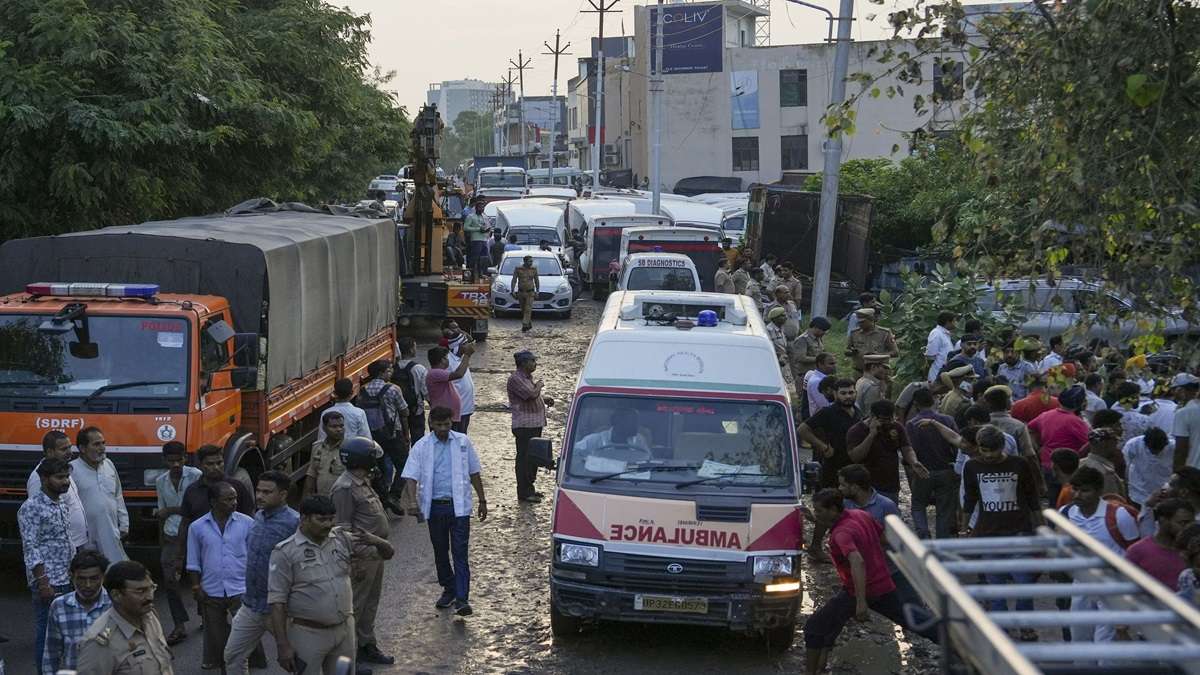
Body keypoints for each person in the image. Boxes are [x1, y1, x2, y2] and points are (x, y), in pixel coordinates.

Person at [803, 489, 937, 675]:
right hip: (881, 583)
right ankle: (955, 638)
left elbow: (857, 561)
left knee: (814, 628)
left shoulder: (841, 534)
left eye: (819, 511)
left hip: (861, 590)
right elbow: (882, 538)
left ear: (833, 509)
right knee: (912, 620)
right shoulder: (860, 515)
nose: (817, 514)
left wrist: (861, 602)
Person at [269, 495, 393, 675]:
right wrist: (283, 645)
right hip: (308, 635)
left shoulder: (342, 539)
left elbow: (387, 554)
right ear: (304, 518)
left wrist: (378, 541)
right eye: (321, 519)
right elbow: (276, 602)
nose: (328, 524)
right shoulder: (285, 552)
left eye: (331, 519)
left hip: (344, 632)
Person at [402, 406, 488, 616]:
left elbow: (474, 471)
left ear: (452, 423)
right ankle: (449, 588)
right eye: (439, 425)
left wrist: (482, 500)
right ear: (431, 423)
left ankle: (461, 598)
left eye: (446, 425)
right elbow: (410, 477)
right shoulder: (421, 447)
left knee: (460, 553)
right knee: (440, 552)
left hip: (459, 509)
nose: (443, 429)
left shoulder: (462, 443)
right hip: (434, 509)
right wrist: (412, 503)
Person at [962, 426, 1042, 639]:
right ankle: (1002, 630)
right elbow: (969, 500)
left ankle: (1025, 625)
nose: (988, 455)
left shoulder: (1019, 464)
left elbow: (1032, 497)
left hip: (1019, 532)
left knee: (1024, 584)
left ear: (1002, 446)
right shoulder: (971, 467)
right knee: (995, 586)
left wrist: (1040, 527)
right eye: (984, 450)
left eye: (993, 450)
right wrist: (964, 529)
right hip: (989, 534)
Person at [224, 471, 298, 675]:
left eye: (267, 492)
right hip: (251, 605)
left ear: (283, 494)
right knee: (233, 657)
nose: (260, 496)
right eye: (258, 490)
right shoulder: (257, 516)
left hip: (281, 609)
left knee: (297, 660)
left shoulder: (294, 523)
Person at [331, 437, 395, 666]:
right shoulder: (345, 488)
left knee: (369, 605)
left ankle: (367, 646)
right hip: (361, 557)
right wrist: (354, 560)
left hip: (374, 554)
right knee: (354, 608)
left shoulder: (361, 481)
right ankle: (348, 656)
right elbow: (341, 528)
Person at [1062, 467, 1141, 644]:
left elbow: (1135, 552)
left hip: (1113, 584)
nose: (1078, 494)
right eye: (1075, 489)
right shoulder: (1066, 514)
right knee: (1079, 637)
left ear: (1098, 491)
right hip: (1081, 583)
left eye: (1085, 490)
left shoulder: (1119, 515)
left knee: (1106, 642)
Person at [187, 481, 256, 670]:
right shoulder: (197, 527)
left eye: (234, 498)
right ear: (213, 502)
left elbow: (254, 557)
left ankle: (246, 663)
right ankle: (218, 663)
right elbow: (193, 561)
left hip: (240, 587)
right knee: (215, 634)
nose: (234, 503)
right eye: (228, 499)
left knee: (245, 632)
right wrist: (196, 586)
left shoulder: (248, 523)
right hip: (211, 589)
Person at [20, 457, 76, 665]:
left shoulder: (60, 503)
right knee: (47, 637)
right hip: (49, 583)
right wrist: (43, 582)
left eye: (67, 476)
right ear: (44, 479)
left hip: (66, 578)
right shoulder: (32, 507)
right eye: (60, 477)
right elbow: (31, 547)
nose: (66, 482)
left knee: (67, 635)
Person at [76, 560, 173, 674]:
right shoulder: (99, 643)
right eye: (140, 591)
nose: (149, 597)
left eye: (151, 588)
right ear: (116, 595)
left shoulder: (149, 616)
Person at [154, 441, 202, 646]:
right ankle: (179, 625)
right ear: (164, 460)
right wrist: (161, 541)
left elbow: (196, 509)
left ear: (185, 458)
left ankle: (206, 616)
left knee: (201, 578)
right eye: (171, 460)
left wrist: (172, 511)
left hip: (195, 534)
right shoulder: (160, 481)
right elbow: (161, 513)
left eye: (179, 460)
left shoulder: (196, 476)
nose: (175, 464)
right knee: (170, 580)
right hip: (171, 535)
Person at [42, 549, 111, 675]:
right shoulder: (59, 606)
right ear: (72, 577)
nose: (88, 585)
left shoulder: (116, 605)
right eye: (81, 579)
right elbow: (51, 653)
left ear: (104, 577)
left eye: (94, 578)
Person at [847, 400, 929, 504]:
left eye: (890, 419)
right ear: (872, 416)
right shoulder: (856, 430)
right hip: (866, 486)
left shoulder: (897, 427)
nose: (889, 422)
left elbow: (906, 448)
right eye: (884, 420)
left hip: (890, 485)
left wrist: (913, 462)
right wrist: (871, 435)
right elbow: (855, 457)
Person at [906, 388, 961, 539]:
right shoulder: (947, 420)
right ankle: (942, 543)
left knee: (918, 505)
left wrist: (911, 469)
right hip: (945, 470)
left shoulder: (911, 424)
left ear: (916, 404)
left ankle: (923, 536)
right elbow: (957, 444)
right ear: (934, 400)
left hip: (922, 470)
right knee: (944, 510)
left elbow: (908, 449)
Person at [69, 426, 129, 563]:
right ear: (83, 448)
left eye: (103, 443)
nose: (102, 448)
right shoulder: (72, 469)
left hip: (111, 532)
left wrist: (124, 523)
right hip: (86, 536)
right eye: (96, 444)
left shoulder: (108, 464)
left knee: (114, 570)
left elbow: (118, 495)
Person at [359, 359, 411, 513]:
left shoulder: (363, 390)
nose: (392, 372)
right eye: (389, 370)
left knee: (377, 467)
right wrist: (406, 434)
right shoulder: (393, 389)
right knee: (405, 466)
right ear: (381, 373)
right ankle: (394, 496)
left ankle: (382, 496)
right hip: (393, 434)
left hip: (372, 436)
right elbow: (404, 412)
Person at [799, 378, 861, 500]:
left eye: (851, 392)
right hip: (834, 467)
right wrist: (823, 447)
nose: (848, 396)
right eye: (843, 393)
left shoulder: (858, 412)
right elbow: (803, 430)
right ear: (835, 394)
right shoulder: (828, 412)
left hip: (854, 466)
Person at [26, 430, 89, 550]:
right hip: (58, 548)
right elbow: (37, 521)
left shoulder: (63, 470)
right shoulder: (38, 479)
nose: (70, 453)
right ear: (49, 452)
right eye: (64, 449)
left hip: (74, 543)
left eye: (70, 447)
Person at [508, 350, 554, 504]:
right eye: (532, 361)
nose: (535, 363)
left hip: (534, 424)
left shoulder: (527, 378)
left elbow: (532, 396)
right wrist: (539, 386)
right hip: (524, 426)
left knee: (533, 458)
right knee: (525, 460)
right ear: (523, 363)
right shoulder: (515, 379)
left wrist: (543, 399)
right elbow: (530, 394)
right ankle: (524, 492)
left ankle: (530, 488)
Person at [1028, 385, 1090, 493]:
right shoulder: (1076, 422)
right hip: (1068, 468)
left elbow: (1029, 429)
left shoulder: (1045, 415)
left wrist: (1037, 447)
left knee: (1053, 500)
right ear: (1080, 403)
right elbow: (1090, 442)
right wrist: (1080, 455)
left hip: (1048, 463)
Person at [1126, 498, 1193, 590]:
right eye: (1182, 523)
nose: (1187, 528)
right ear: (1163, 520)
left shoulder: (1193, 552)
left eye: (1190, 523)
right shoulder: (1138, 551)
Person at [1125, 427, 1176, 508]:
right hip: (1139, 492)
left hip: (1164, 493)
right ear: (1146, 444)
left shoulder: (1173, 447)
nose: (1156, 452)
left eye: (1159, 449)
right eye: (1153, 449)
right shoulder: (1133, 445)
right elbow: (1126, 465)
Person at [426, 344, 473, 431]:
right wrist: (467, 355)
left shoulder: (439, 373)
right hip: (443, 417)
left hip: (450, 416)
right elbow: (459, 374)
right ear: (442, 360)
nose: (448, 360)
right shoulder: (435, 373)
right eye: (446, 358)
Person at [443, 321, 478, 432]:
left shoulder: (461, 358)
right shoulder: (448, 360)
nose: (470, 345)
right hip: (457, 411)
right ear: (460, 346)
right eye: (466, 343)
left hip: (466, 409)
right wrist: (468, 354)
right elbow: (458, 374)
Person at [1078, 427, 1129, 500]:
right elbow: (1112, 502)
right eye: (1115, 442)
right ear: (1105, 444)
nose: (1116, 446)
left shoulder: (1079, 464)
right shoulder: (1105, 473)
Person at [790, 317, 830, 407]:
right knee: (804, 403)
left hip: (816, 376)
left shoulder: (818, 338)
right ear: (816, 327)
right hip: (804, 376)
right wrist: (820, 359)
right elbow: (800, 357)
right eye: (823, 330)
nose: (824, 333)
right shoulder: (803, 339)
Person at [395, 336, 429, 441]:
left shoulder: (392, 367)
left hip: (398, 411)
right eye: (415, 347)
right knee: (418, 440)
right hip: (416, 410)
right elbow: (426, 392)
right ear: (410, 350)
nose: (416, 349)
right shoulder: (419, 369)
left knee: (400, 439)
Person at [306, 411, 348, 497]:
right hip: (323, 500)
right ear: (324, 428)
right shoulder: (317, 447)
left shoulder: (350, 449)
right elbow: (312, 474)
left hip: (342, 500)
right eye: (334, 426)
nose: (339, 429)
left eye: (341, 426)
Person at [317, 378, 371, 443]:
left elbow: (321, 438)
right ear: (351, 393)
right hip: (352, 451)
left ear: (334, 393)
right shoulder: (359, 413)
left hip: (332, 451)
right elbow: (366, 438)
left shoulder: (326, 413)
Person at [845, 308, 898, 374]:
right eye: (859, 322)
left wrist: (878, 356)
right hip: (859, 371)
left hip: (879, 372)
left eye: (863, 322)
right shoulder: (854, 333)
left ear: (871, 320)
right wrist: (852, 352)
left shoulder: (885, 333)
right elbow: (847, 350)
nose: (860, 324)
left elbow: (895, 352)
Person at [1172, 373, 1200, 469]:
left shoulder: (1184, 413)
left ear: (1181, 390)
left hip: (1193, 471)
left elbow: (1181, 449)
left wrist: (1177, 473)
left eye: (1174, 389)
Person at [925, 311, 958, 382]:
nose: (956, 323)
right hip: (937, 374)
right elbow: (930, 357)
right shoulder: (936, 333)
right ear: (948, 322)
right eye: (954, 321)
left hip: (945, 374)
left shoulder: (945, 334)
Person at [804, 352, 838, 418]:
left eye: (835, 363)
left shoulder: (822, 378)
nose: (835, 366)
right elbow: (825, 405)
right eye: (831, 364)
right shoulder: (817, 381)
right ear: (820, 364)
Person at [463, 198, 490, 279]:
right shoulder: (471, 216)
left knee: (483, 258)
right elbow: (465, 227)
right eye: (480, 207)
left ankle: (480, 273)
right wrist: (478, 229)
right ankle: (471, 274)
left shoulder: (484, 217)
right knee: (474, 258)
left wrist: (487, 230)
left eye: (483, 207)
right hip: (475, 239)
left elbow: (488, 226)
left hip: (484, 239)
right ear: (476, 207)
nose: (481, 209)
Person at [512, 254, 540, 331]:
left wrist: (537, 291)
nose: (531, 263)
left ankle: (524, 325)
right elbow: (514, 280)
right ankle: (528, 323)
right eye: (529, 261)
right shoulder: (518, 269)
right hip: (521, 292)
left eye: (532, 261)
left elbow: (536, 281)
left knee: (528, 308)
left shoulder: (534, 269)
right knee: (523, 309)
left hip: (530, 292)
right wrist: (512, 290)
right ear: (525, 261)